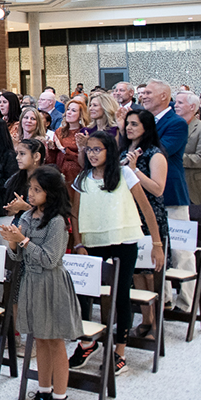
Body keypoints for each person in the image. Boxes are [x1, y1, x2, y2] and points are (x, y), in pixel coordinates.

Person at [69, 131, 163, 376]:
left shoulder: (124, 173)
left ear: (109, 151)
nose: (91, 154)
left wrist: (157, 243)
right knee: (83, 295)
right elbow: (75, 214)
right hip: (92, 242)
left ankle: (120, 351)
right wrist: (78, 243)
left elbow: (146, 208)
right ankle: (86, 343)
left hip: (123, 240)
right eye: (88, 149)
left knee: (121, 296)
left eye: (97, 149)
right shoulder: (82, 178)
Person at [0, 166, 83, 400]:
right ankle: (44, 390)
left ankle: (60, 395)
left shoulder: (56, 221)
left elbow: (50, 259)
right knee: (39, 339)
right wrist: (12, 243)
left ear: (51, 192)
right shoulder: (27, 216)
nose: (31, 194)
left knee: (54, 341)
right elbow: (17, 258)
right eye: (30, 189)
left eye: (37, 190)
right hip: (32, 282)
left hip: (52, 284)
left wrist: (23, 241)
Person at [142, 79, 193, 311]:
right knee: (156, 249)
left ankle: (187, 302)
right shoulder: (146, 121)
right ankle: (164, 300)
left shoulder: (177, 123)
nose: (143, 96)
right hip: (149, 197)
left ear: (164, 96)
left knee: (181, 251)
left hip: (171, 194)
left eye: (149, 93)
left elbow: (162, 150)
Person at [119, 108, 168, 338]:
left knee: (149, 272)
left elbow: (158, 189)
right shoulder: (122, 151)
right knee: (136, 271)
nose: (129, 128)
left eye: (134, 124)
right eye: (127, 124)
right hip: (128, 215)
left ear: (146, 128)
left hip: (149, 216)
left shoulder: (155, 153)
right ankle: (146, 319)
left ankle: (155, 322)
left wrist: (134, 170)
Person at [49, 98, 90, 185]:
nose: (69, 112)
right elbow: (53, 157)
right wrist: (50, 147)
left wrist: (64, 150)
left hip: (76, 173)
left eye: (73, 110)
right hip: (59, 171)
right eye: (68, 109)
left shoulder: (84, 133)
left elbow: (84, 160)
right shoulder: (59, 131)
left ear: (80, 115)